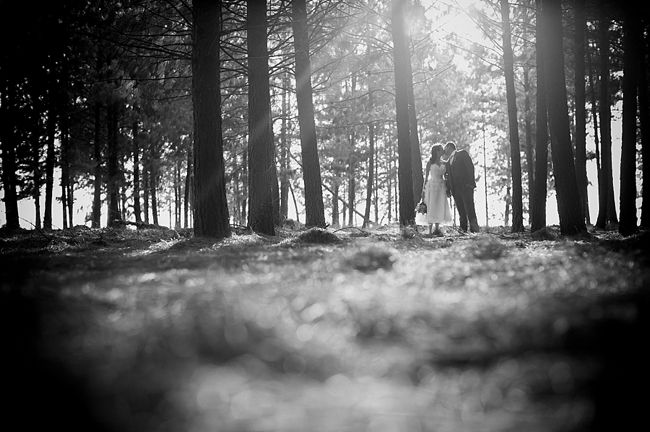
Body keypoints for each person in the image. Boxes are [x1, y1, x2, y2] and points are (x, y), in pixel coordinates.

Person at [443, 141, 479, 233]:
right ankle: (463, 229)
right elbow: (447, 177)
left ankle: (474, 229)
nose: (444, 150)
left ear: (450, 147)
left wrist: (470, 183)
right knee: (461, 209)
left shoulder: (462, 154)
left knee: (469, 207)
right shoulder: (447, 162)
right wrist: (448, 189)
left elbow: (470, 167)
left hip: (466, 186)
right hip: (455, 189)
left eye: (445, 148)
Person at [421, 144, 452, 236]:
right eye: (441, 150)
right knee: (431, 205)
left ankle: (437, 229)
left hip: (441, 186)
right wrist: (423, 190)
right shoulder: (430, 163)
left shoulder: (444, 163)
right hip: (432, 186)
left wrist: (448, 187)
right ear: (436, 151)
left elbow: (447, 176)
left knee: (440, 205)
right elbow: (426, 177)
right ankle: (430, 230)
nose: (443, 151)